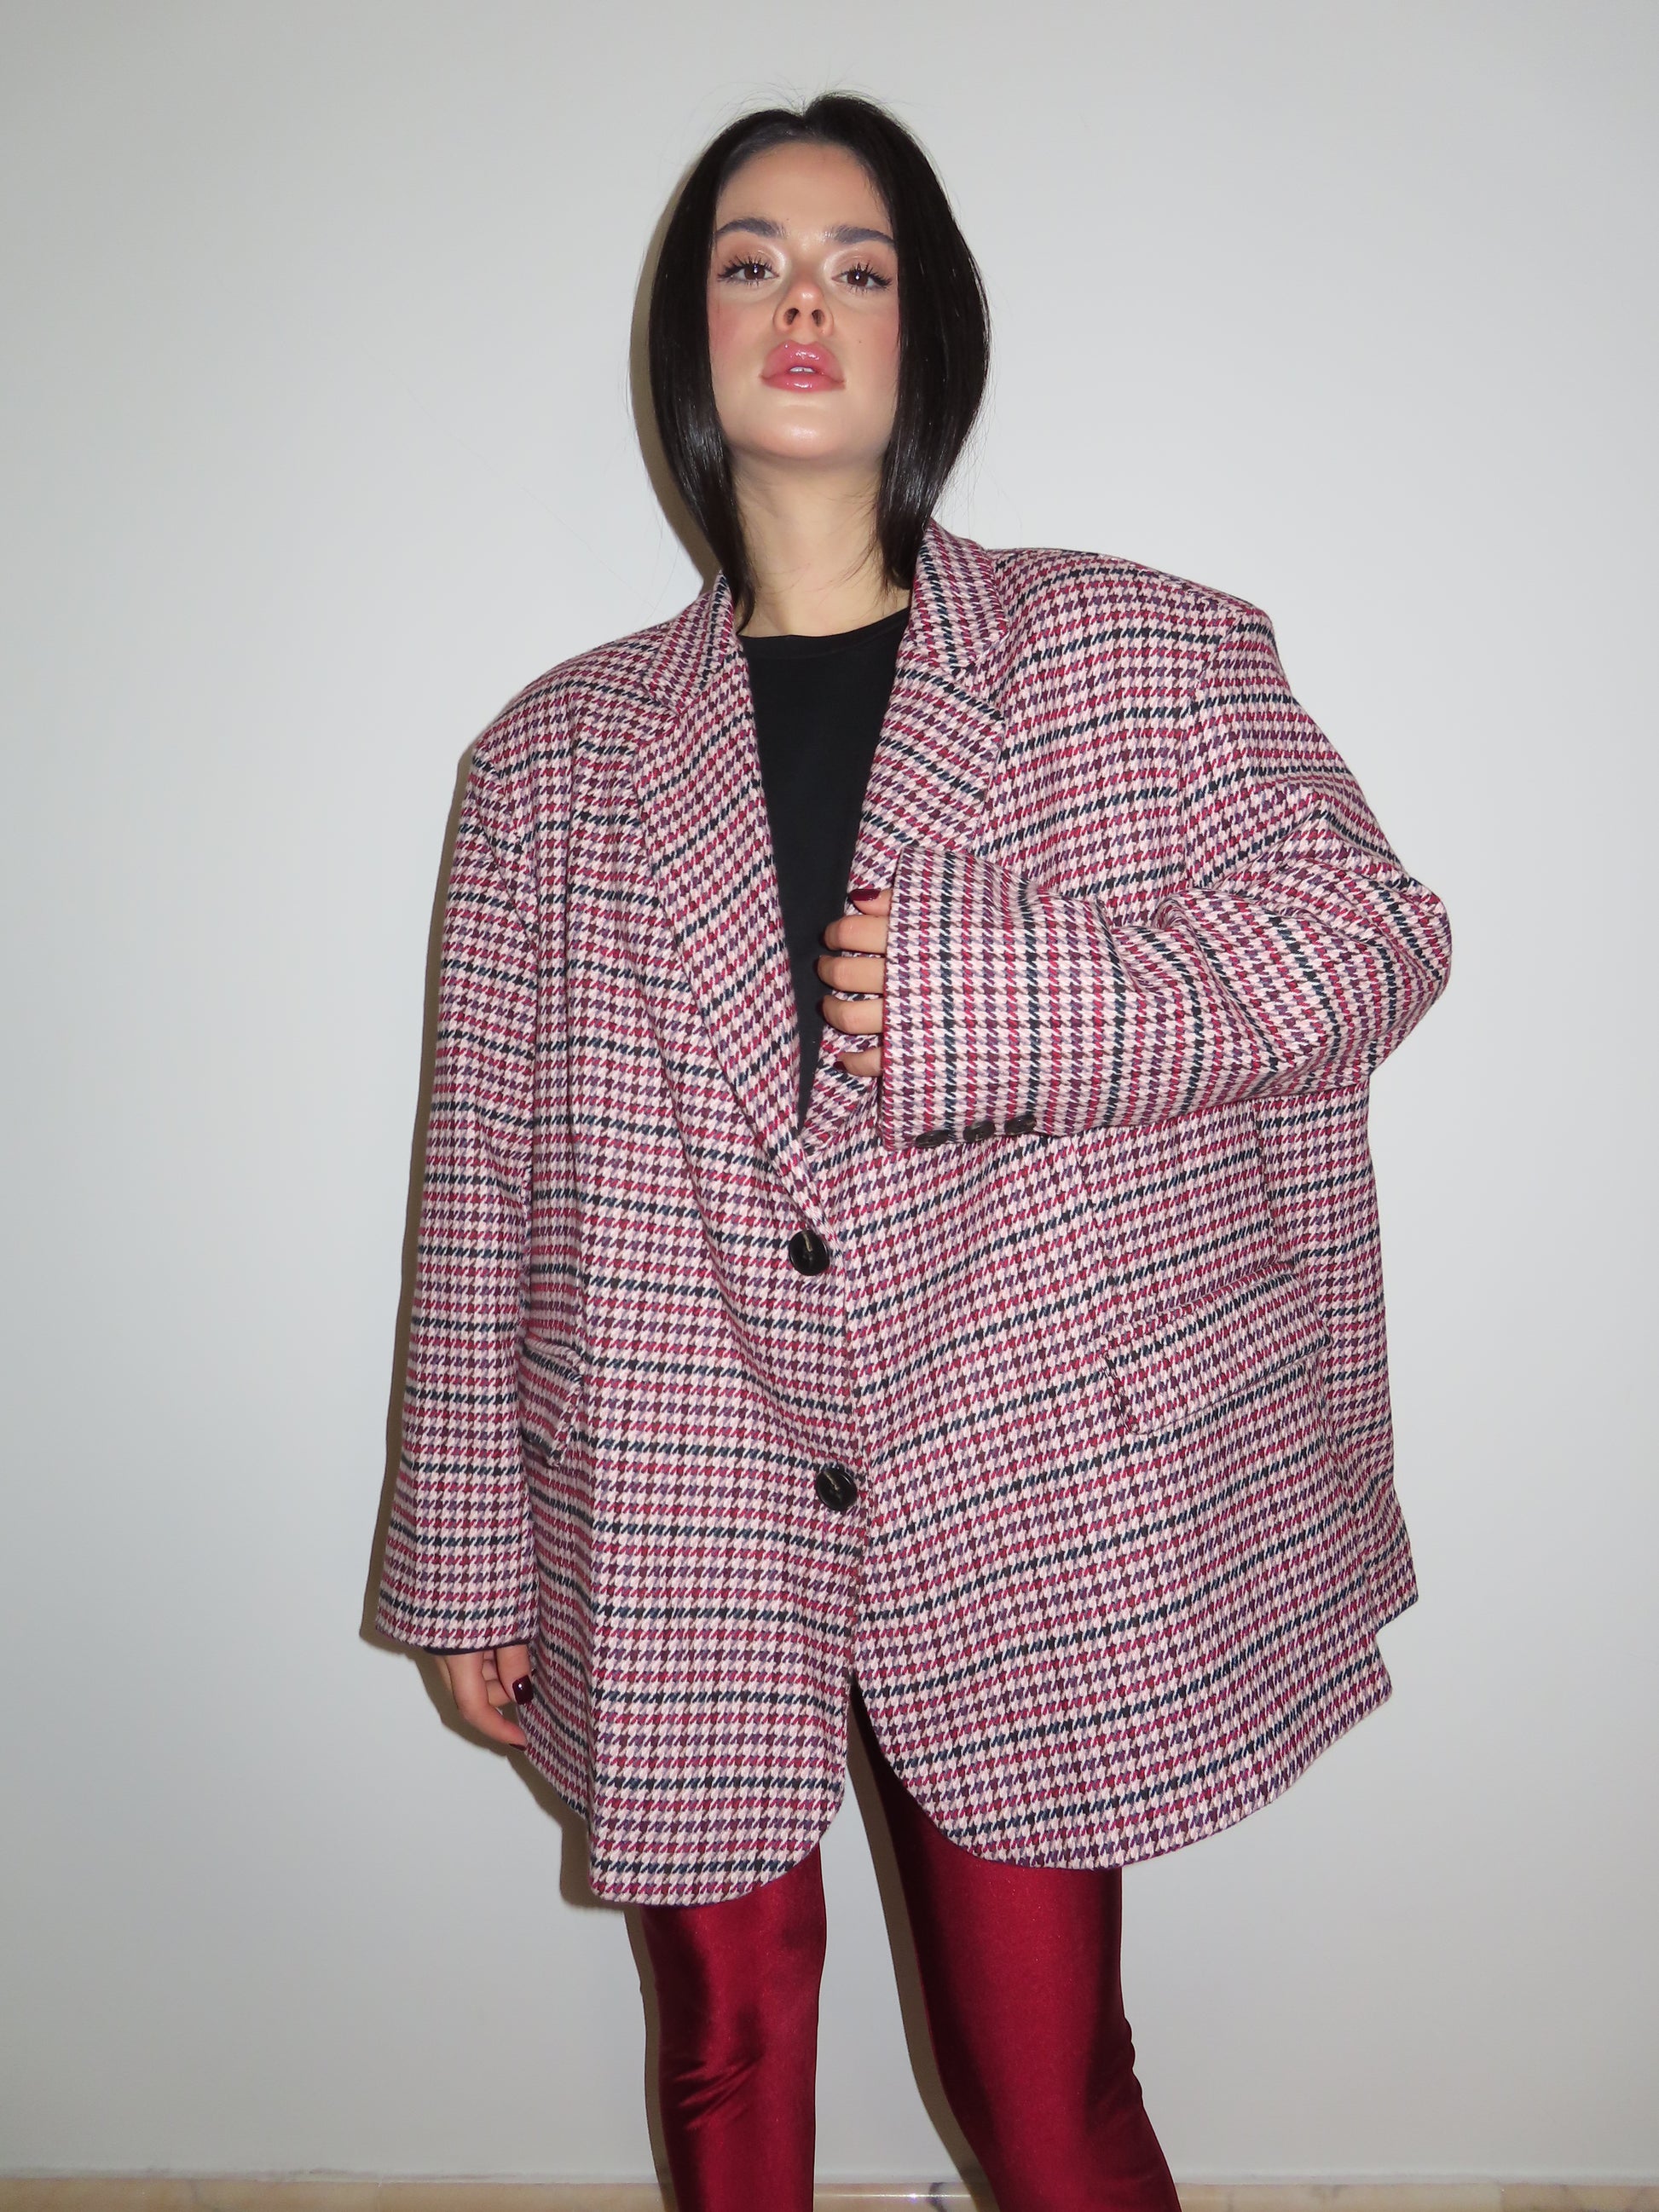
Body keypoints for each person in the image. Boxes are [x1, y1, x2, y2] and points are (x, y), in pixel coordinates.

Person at [373, 91, 1452, 2212]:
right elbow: (477, 1179)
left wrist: (1006, 989)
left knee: (1047, 2089)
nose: (803, 302)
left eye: (856, 266)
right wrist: (470, 1552)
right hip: (674, 1484)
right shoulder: (547, 760)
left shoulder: (1134, 649)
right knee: (723, 2046)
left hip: (1027, 1473)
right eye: (749, 262)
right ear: (690, 338)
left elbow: (1371, 936)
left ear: (923, 330)